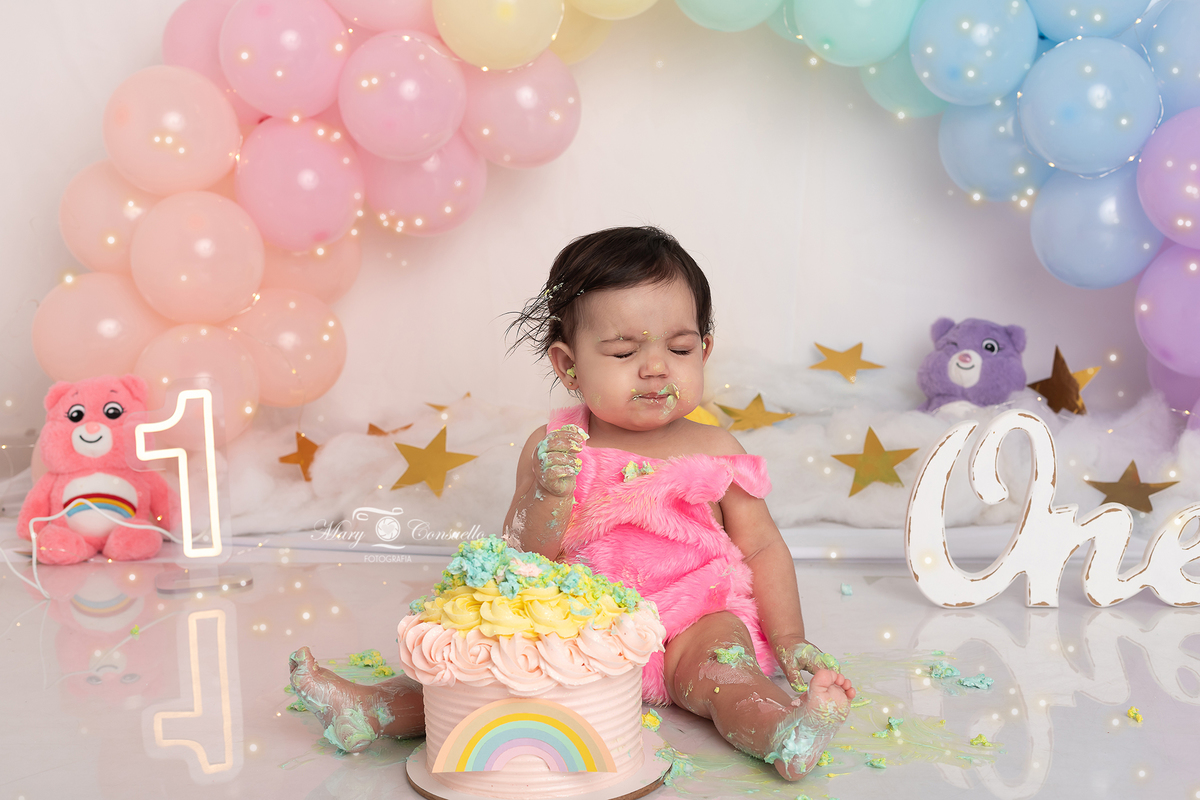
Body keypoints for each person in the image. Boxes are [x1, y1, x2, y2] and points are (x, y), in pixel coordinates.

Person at [289, 226, 853, 780]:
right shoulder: (556, 447)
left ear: (703, 350)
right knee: (488, 675)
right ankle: (370, 710)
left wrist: (789, 639)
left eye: (680, 348)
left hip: (692, 616)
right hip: (578, 625)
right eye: (624, 351)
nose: (656, 366)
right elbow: (521, 554)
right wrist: (549, 493)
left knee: (724, 672)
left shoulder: (717, 449)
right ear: (569, 366)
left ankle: (782, 732)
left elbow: (762, 547)